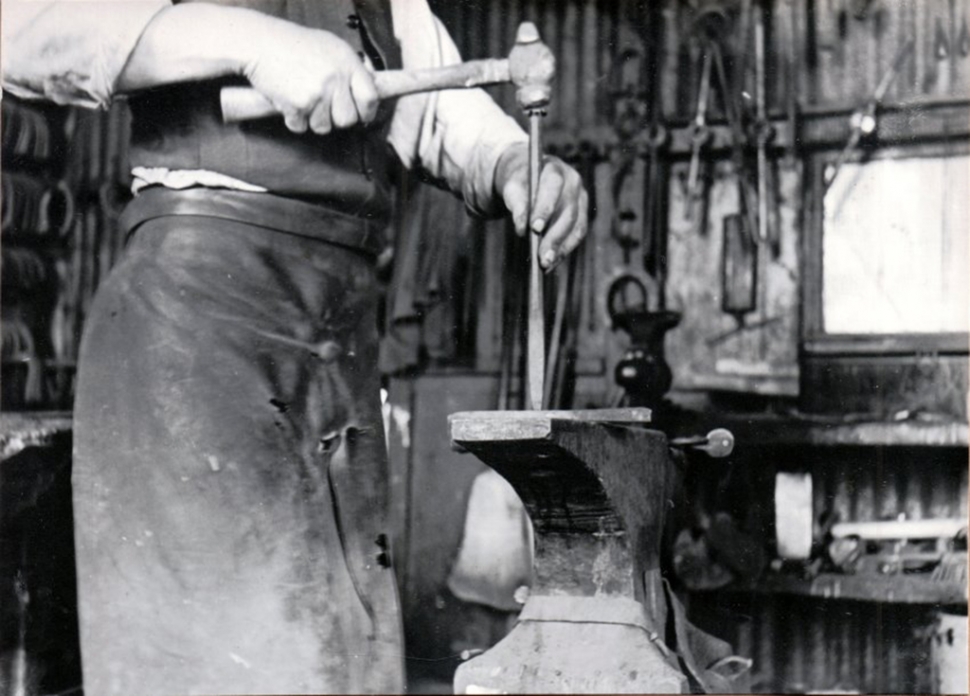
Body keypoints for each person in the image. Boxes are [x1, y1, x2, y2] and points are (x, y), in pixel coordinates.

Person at [2, 2, 589, 693]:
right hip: (197, 329)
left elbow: (436, 112)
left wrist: (513, 166)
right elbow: (22, 29)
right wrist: (254, 43)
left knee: (346, 663)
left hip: (336, 337)